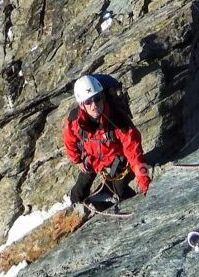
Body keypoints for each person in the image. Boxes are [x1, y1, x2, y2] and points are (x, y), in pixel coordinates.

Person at [63, 74, 151, 204]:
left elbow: (134, 153)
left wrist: (145, 185)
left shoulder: (118, 121)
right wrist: (77, 160)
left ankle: (135, 205)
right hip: (92, 158)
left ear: (103, 97)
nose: (94, 105)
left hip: (116, 158)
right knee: (78, 191)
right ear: (82, 105)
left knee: (119, 188)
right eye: (88, 102)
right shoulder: (75, 121)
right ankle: (76, 208)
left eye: (97, 99)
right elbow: (69, 140)